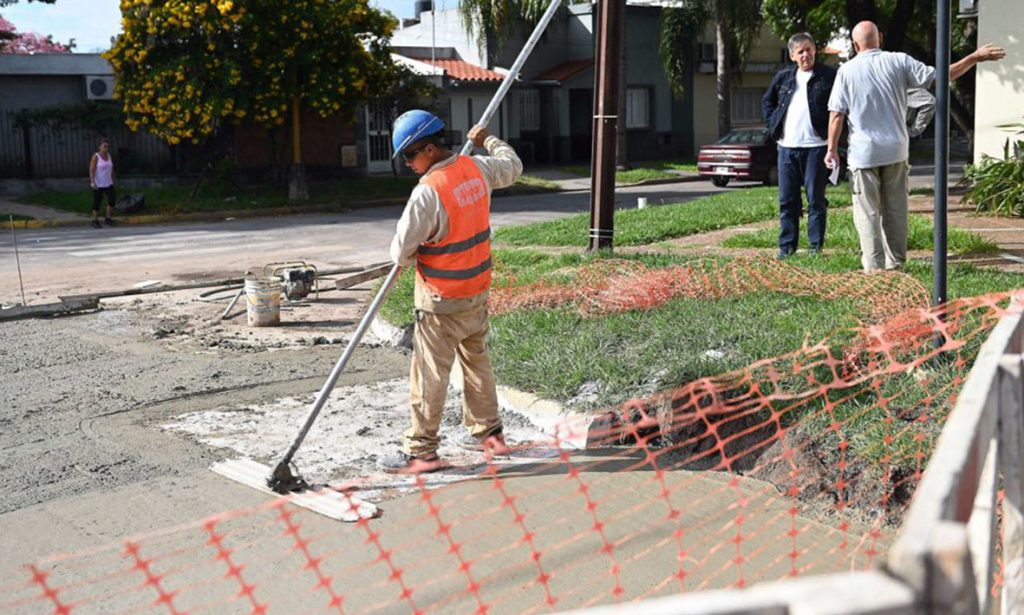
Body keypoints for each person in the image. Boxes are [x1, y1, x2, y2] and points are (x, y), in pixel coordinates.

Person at [378, 110, 523, 474]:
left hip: (440, 300)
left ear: (428, 148)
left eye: (410, 155)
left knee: (429, 374)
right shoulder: (478, 169)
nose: (408, 164)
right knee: (477, 365)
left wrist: (418, 253)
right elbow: (513, 165)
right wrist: (485, 140)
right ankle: (490, 436)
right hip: (475, 291)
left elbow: (400, 251)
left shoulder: (428, 192)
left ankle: (422, 451)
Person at [826, 21, 1004, 271]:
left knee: (867, 213)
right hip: (897, 150)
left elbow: (836, 115)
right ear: (881, 37)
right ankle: (896, 264)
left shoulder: (846, 71)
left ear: (855, 45)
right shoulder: (899, 60)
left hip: (863, 154)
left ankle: (874, 268)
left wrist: (831, 149)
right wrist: (974, 57)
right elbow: (941, 77)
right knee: (896, 210)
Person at [762, 32, 837, 259]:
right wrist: (773, 124)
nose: (806, 55)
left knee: (815, 200)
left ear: (815, 50)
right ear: (793, 55)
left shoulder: (828, 76)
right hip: (786, 148)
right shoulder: (784, 77)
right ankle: (787, 247)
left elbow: (840, 106)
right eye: (800, 51)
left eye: (809, 49)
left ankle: (815, 247)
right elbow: (768, 101)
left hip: (817, 147)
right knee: (787, 200)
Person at [89, 139, 117, 229]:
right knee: (97, 201)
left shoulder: (109, 156)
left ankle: (108, 217)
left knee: (112, 199)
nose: (106, 148)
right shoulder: (96, 157)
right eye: (104, 146)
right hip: (99, 183)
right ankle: (94, 220)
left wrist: (114, 180)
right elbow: (92, 170)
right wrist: (93, 182)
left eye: (107, 146)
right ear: (99, 147)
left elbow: (111, 169)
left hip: (108, 182)